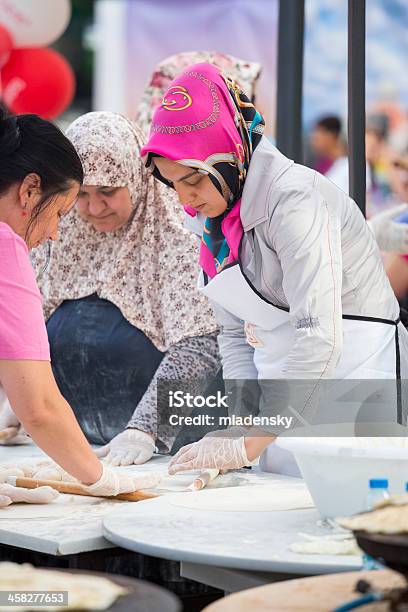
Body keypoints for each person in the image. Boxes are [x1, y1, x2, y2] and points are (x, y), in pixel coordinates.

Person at [139, 63, 408, 475]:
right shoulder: (211, 219)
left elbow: (320, 335)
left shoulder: (294, 200)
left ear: (229, 156)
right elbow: (233, 335)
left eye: (194, 179)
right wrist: (243, 424)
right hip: (283, 393)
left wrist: (255, 437)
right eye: (172, 183)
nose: (186, 199)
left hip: (357, 382)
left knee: (347, 515)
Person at [28, 111, 220, 465]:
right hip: (79, 447)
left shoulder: (177, 239)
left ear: (137, 178)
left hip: (164, 454)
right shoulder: (60, 235)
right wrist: (23, 402)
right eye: (81, 194)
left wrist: (145, 428)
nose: (94, 207)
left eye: (108, 191)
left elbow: (201, 345)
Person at [0, 108, 157, 499]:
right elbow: (41, 408)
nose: (55, 233)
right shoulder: (8, 247)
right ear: (30, 189)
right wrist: (100, 478)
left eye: (108, 192)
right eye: (61, 212)